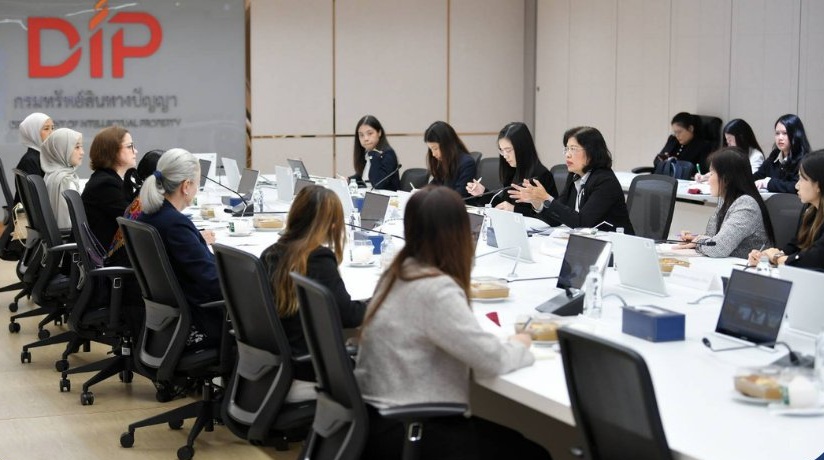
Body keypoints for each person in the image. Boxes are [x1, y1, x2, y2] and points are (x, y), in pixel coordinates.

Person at [354, 185, 549, 460]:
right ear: (459, 233)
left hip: (378, 421)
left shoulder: (398, 272)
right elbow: (492, 361)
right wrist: (521, 342)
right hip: (412, 430)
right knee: (533, 454)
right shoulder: (435, 288)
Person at [260, 185, 366, 402]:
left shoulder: (271, 252)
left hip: (275, 367)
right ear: (332, 224)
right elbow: (348, 316)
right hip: (308, 369)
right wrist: (381, 301)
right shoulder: (317, 259)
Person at [138, 148, 222, 348]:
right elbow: (211, 281)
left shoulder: (150, 215)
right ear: (186, 186)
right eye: (197, 184)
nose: (197, 189)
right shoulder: (175, 225)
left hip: (169, 322)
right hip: (199, 321)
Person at [509, 126, 634, 233]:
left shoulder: (605, 181)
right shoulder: (575, 176)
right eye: (566, 149)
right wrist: (537, 202)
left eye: (573, 149)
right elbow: (555, 219)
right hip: (589, 242)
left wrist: (546, 198)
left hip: (616, 245)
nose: (568, 154)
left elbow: (582, 222)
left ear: (592, 152)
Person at [675, 148, 773, 258]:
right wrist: (695, 239)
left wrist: (699, 241)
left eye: (711, 174)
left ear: (726, 178)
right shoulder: (726, 199)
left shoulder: (747, 205)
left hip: (744, 266)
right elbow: (713, 238)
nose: (708, 180)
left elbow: (718, 248)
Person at [749, 150, 824, 269]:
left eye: (802, 179)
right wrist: (766, 256)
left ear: (818, 184)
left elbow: (815, 257)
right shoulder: (810, 209)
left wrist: (777, 258)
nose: (796, 186)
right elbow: (796, 245)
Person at [465, 122, 558, 216]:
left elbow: (550, 217)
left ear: (522, 148)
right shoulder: (512, 170)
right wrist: (482, 192)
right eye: (502, 150)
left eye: (508, 150)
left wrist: (514, 209)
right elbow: (504, 206)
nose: (505, 156)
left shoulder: (542, 176)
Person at [82, 126, 138, 248]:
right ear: (113, 151)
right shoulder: (105, 184)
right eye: (130, 146)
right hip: (107, 254)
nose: (135, 151)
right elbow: (133, 219)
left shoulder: (107, 179)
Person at [753, 114, 812, 193]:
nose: (780, 138)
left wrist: (768, 183)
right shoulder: (774, 156)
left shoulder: (805, 160)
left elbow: (796, 186)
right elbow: (757, 176)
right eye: (777, 133)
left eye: (785, 133)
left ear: (796, 135)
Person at [40, 128, 83, 229]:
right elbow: (66, 223)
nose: (82, 152)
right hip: (69, 236)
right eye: (77, 147)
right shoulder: (64, 180)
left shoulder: (51, 174)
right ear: (62, 149)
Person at [653, 112, 712, 177]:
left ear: (691, 129)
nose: (677, 135)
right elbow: (656, 161)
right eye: (675, 132)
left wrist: (676, 163)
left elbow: (702, 171)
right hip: (664, 177)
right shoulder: (672, 140)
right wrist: (666, 160)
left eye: (679, 132)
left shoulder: (702, 146)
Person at [425, 121, 476, 197]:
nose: (433, 154)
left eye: (435, 148)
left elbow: (459, 195)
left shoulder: (467, 163)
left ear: (447, 145)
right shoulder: (444, 161)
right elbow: (434, 184)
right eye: (431, 149)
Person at [352, 115, 400, 191]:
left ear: (379, 133)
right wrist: (349, 179)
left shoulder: (388, 154)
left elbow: (378, 184)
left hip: (386, 197)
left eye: (370, 133)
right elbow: (362, 175)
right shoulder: (367, 153)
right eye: (361, 135)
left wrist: (373, 156)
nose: (365, 138)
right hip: (368, 195)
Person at [16, 112, 53, 178]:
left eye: (52, 128)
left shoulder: (42, 156)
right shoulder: (29, 161)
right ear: (33, 133)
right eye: (46, 129)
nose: (51, 132)